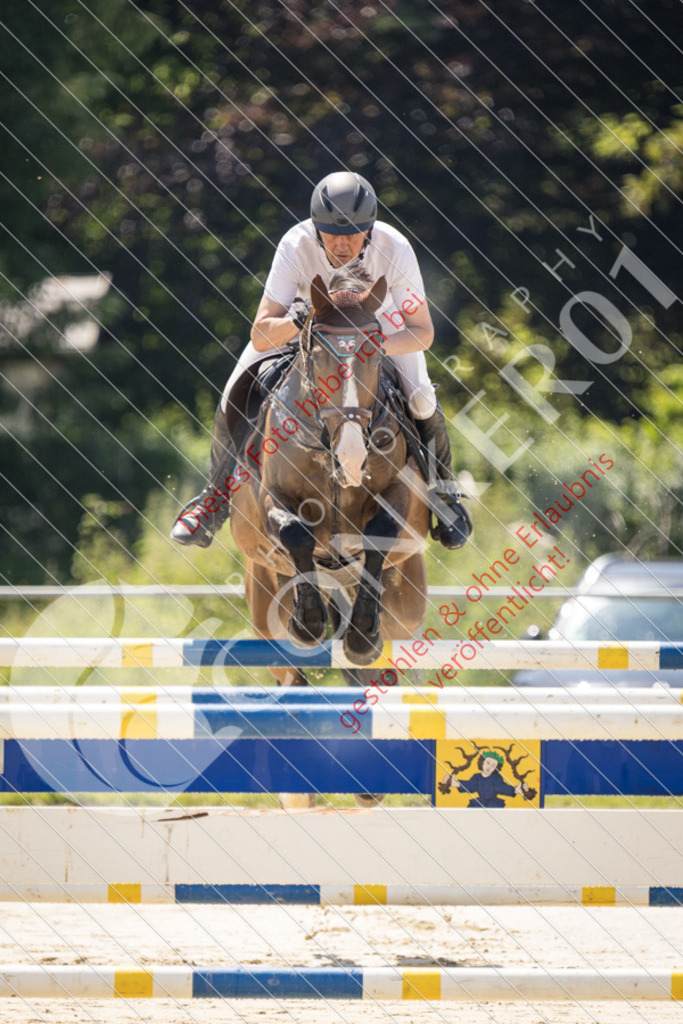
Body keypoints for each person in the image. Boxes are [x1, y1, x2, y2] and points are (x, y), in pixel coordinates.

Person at [171, 171, 472, 550]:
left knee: (421, 397)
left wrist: (369, 347)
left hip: (380, 325)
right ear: (315, 227)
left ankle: (445, 497)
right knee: (234, 389)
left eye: (354, 233)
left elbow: (422, 332)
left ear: (370, 228)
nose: (343, 245)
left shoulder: (394, 247)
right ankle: (212, 502)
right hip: (308, 328)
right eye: (332, 233)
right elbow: (261, 331)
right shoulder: (295, 245)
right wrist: (301, 323)